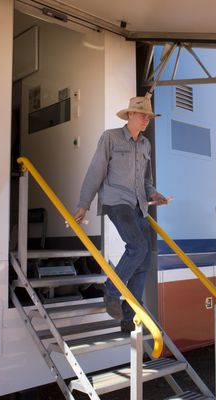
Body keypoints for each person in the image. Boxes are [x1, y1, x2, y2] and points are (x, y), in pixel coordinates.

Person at [73, 96, 169, 332]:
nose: (147, 120)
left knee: (144, 260)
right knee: (137, 246)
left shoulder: (145, 145)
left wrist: (154, 194)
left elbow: (147, 180)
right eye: (143, 115)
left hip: (139, 205)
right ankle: (111, 290)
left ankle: (128, 316)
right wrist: (83, 204)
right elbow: (95, 171)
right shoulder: (111, 137)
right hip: (117, 202)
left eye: (149, 117)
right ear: (130, 115)